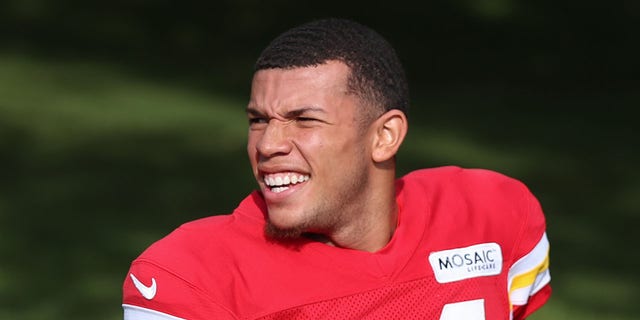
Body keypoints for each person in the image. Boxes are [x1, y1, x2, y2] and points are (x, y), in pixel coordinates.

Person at [122, 18, 551, 319]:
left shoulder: (491, 216)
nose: (268, 145)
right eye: (258, 120)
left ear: (384, 136)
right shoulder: (196, 275)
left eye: (304, 119)